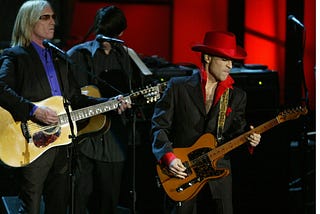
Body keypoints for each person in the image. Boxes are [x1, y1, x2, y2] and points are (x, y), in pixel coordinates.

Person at [0, 1, 130, 213]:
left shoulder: (60, 57)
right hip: (31, 141)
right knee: (31, 207)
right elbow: (1, 89)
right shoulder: (16, 56)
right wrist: (34, 110)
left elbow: (76, 99)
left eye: (53, 17)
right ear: (29, 21)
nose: (53, 22)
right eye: (45, 17)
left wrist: (109, 103)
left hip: (62, 145)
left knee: (59, 205)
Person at [151, 31, 261, 214]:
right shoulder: (178, 87)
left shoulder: (236, 96)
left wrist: (249, 139)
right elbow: (158, 127)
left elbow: (236, 132)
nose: (230, 65)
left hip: (219, 170)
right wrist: (169, 158)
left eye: (232, 60)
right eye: (225, 59)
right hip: (183, 169)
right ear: (208, 57)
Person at [67, 5, 141, 214]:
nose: (106, 39)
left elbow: (137, 93)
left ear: (121, 33)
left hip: (114, 142)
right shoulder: (77, 55)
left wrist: (129, 103)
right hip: (83, 139)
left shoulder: (127, 57)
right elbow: (69, 97)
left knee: (108, 202)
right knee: (78, 200)